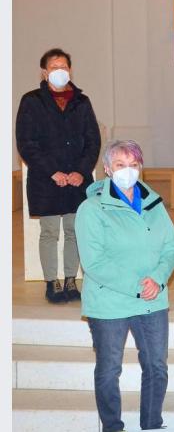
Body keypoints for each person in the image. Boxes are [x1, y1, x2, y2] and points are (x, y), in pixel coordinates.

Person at [75, 140, 174, 432]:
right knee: (109, 371)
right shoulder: (91, 209)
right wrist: (137, 285)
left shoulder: (154, 204)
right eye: (120, 165)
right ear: (107, 169)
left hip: (152, 299)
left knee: (157, 367)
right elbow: (94, 263)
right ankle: (112, 427)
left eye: (134, 165)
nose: (128, 171)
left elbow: (171, 248)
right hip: (110, 303)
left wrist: (157, 278)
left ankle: (152, 425)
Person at [15, 47, 101, 303]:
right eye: (54, 67)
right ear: (44, 72)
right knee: (50, 231)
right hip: (46, 179)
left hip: (76, 179)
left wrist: (80, 171)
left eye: (64, 67)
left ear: (70, 70)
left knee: (76, 230)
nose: (60, 72)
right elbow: (26, 143)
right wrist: (53, 172)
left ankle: (71, 281)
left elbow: (93, 141)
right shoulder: (31, 101)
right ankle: (51, 283)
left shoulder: (82, 102)